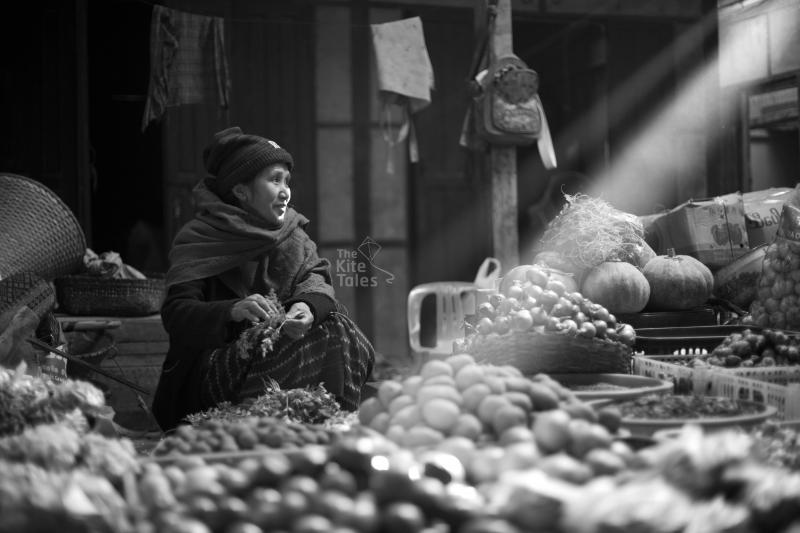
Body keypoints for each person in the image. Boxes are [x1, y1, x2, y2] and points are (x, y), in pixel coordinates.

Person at [151, 127, 375, 430]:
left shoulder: (293, 236)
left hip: (280, 366)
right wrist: (232, 310)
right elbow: (177, 315)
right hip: (214, 380)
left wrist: (305, 309)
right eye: (274, 180)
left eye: (287, 181)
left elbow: (316, 281)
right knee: (326, 332)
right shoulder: (199, 239)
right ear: (241, 191)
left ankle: (326, 426)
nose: (285, 191)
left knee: (337, 327)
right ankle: (267, 428)